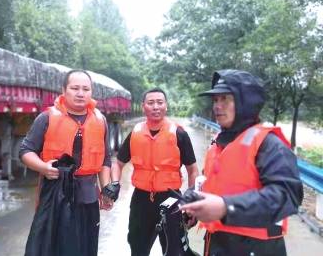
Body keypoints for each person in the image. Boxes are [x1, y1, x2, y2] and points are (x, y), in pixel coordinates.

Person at [180, 69, 304, 256]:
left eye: (225, 99)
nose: (217, 106)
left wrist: (225, 207)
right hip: (216, 243)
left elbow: (286, 196)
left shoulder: (268, 144)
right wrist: (192, 202)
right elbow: (209, 184)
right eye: (215, 100)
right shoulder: (219, 144)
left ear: (245, 102)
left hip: (255, 248)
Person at [19, 69, 113, 256]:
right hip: (55, 194)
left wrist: (107, 189)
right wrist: (43, 167)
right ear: (64, 90)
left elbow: (105, 159)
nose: (80, 93)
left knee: (85, 247)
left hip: (88, 196)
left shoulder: (100, 120)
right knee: (50, 248)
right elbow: (25, 151)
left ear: (91, 92)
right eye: (75, 88)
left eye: (85, 89)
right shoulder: (46, 118)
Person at [106, 87, 199, 256]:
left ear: (166, 105)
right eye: (151, 103)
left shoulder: (179, 133)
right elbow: (118, 164)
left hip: (171, 200)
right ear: (143, 107)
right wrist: (114, 183)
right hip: (141, 200)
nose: (156, 106)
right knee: (138, 248)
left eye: (160, 102)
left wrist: (191, 202)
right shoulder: (135, 133)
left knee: (173, 250)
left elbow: (193, 170)